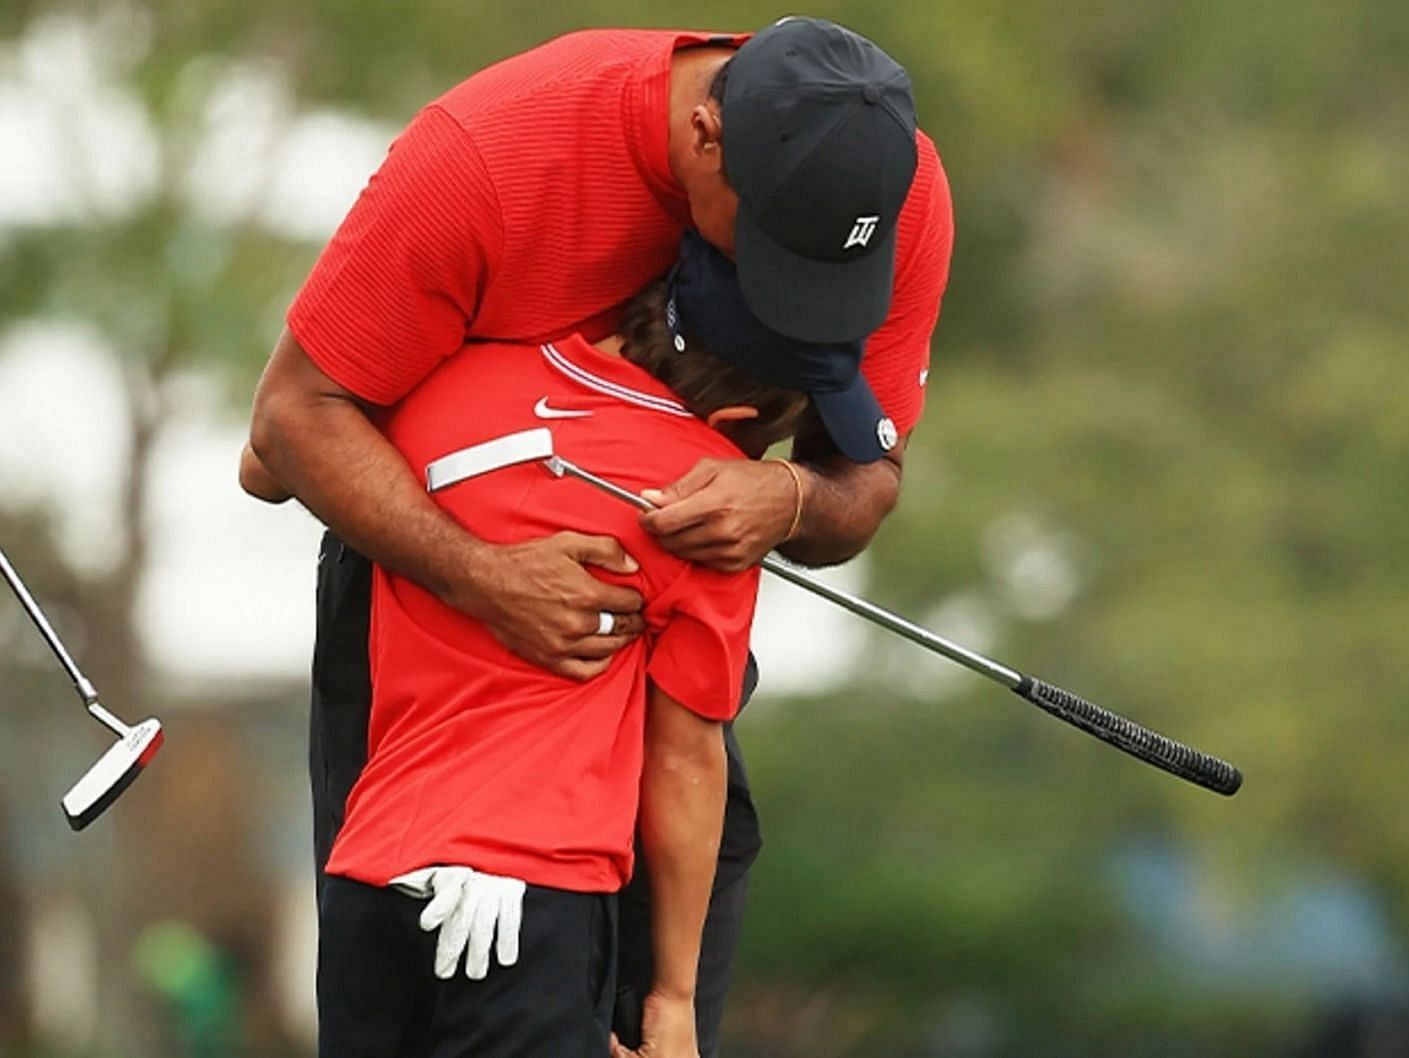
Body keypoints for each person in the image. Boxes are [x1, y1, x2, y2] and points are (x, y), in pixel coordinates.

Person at [242, 18, 953, 1054]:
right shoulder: (488, 156)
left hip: (653, 630)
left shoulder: (892, 193)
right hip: (421, 585)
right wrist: (480, 571)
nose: (786, 287)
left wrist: (787, 498)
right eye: (766, 250)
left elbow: (867, 477)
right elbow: (284, 429)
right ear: (707, 136)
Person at [290, 233, 896, 1058]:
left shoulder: (451, 378)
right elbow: (684, 762)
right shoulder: (710, 508)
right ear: (737, 424)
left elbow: (271, 457)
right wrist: (674, 1000)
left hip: (365, 885)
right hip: (524, 907)